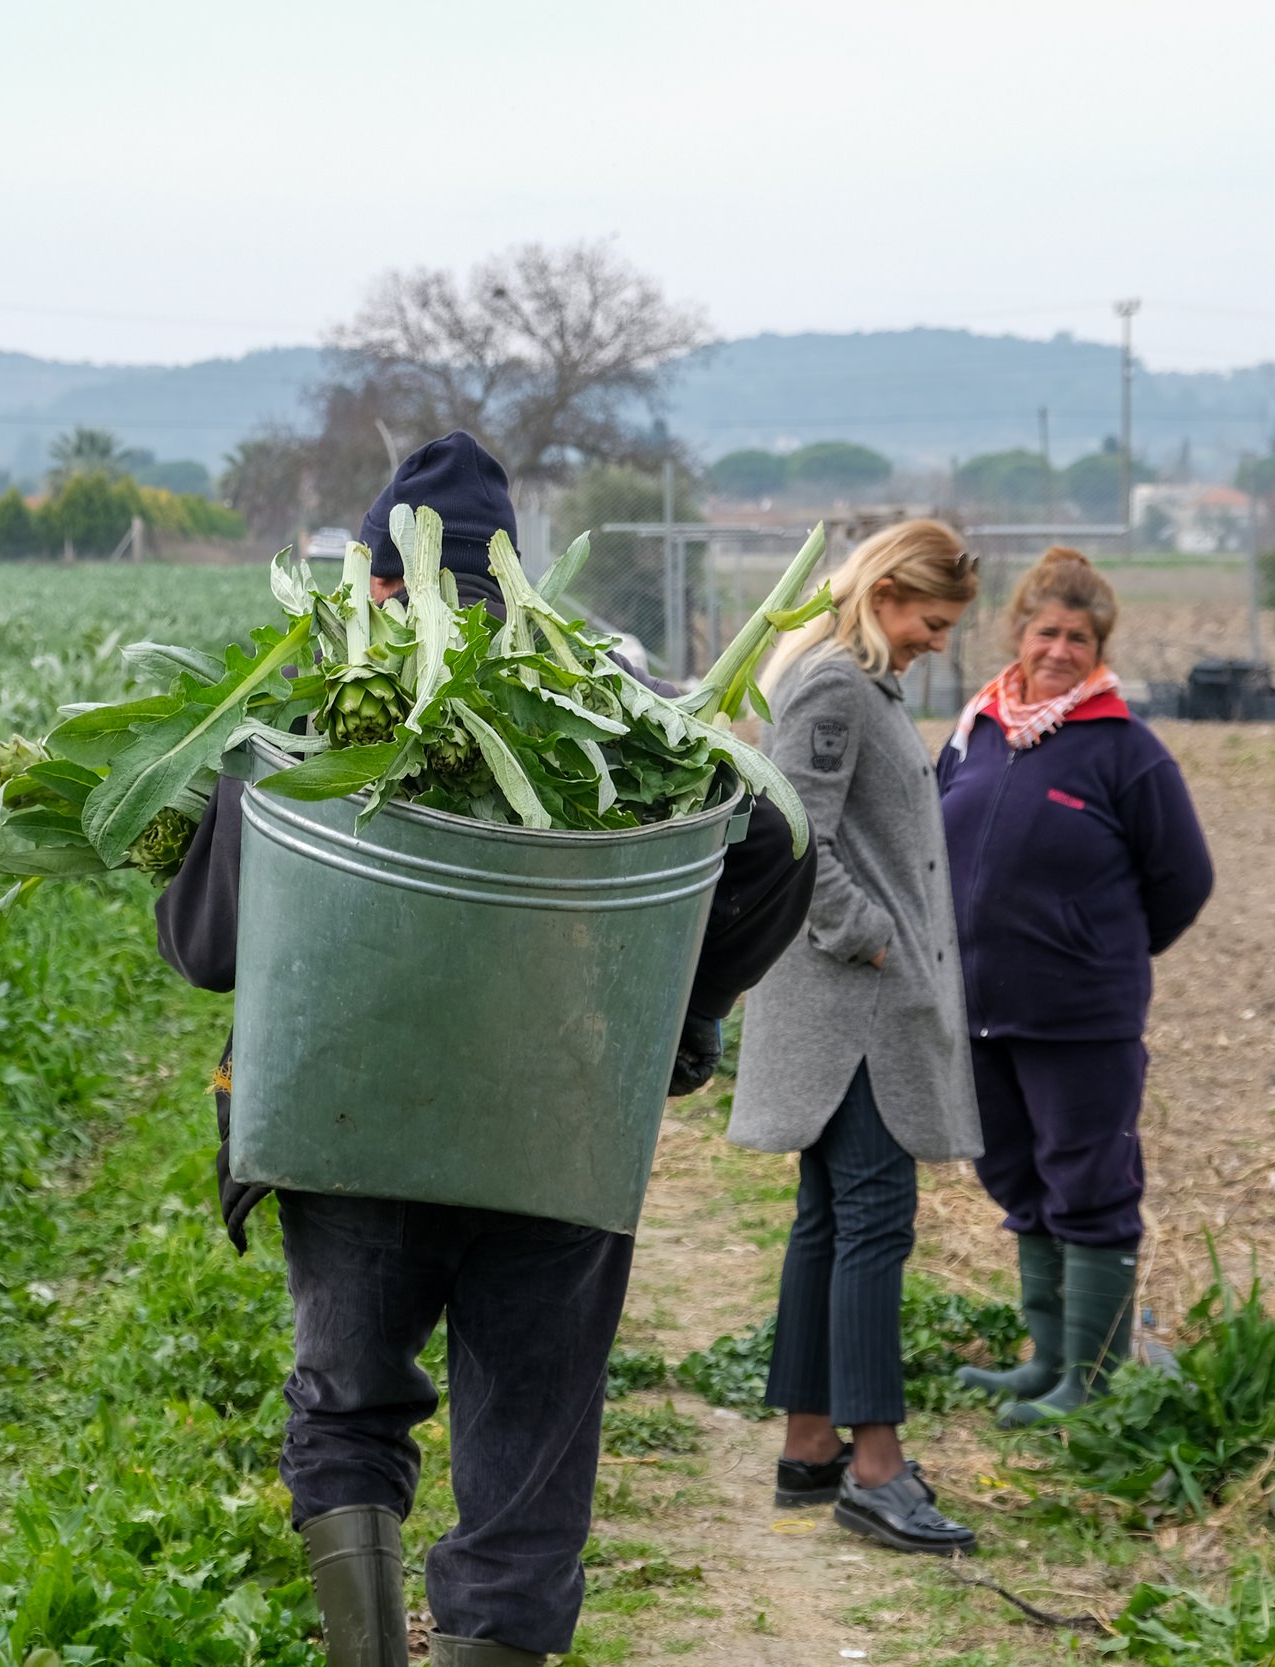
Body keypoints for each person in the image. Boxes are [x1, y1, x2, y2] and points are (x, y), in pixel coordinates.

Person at [151, 431, 815, 1667]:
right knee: (528, 1450)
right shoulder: (607, 704)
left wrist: (199, 823)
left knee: (348, 1408)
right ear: (512, 582)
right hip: (553, 1135)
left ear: (377, 579)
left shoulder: (303, 721)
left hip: (349, 1132)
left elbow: (204, 951)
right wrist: (676, 1004)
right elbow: (777, 838)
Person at [726, 521, 985, 1557]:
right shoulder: (836, 686)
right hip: (854, 1014)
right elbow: (794, 834)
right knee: (874, 1220)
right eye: (928, 622)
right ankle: (876, 1467)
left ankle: (806, 1441)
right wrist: (871, 938)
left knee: (829, 1220)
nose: (934, 642)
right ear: (882, 591)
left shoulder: (850, 678)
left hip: (849, 1006)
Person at [937, 547, 1213, 1428]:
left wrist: (1102, 951)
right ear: (1018, 631)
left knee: (1088, 1182)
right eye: (1047, 630)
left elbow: (1183, 880)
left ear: (1101, 648)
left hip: (1079, 1015)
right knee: (1019, 1178)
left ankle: (1089, 1382)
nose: (1060, 647)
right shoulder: (976, 730)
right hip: (980, 1012)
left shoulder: (1125, 751)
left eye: (1080, 636)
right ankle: (1046, 1360)